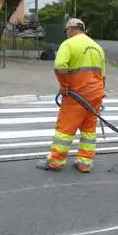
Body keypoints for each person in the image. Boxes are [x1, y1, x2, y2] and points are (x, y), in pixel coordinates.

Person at [36, 18, 106, 173]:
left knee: (65, 129)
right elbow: (103, 76)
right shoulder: (97, 47)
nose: (66, 33)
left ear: (71, 29)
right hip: (95, 95)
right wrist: (100, 96)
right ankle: (84, 162)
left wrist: (64, 86)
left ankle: (56, 161)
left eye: (66, 30)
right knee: (88, 130)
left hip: (76, 95)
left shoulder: (68, 44)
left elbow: (60, 66)